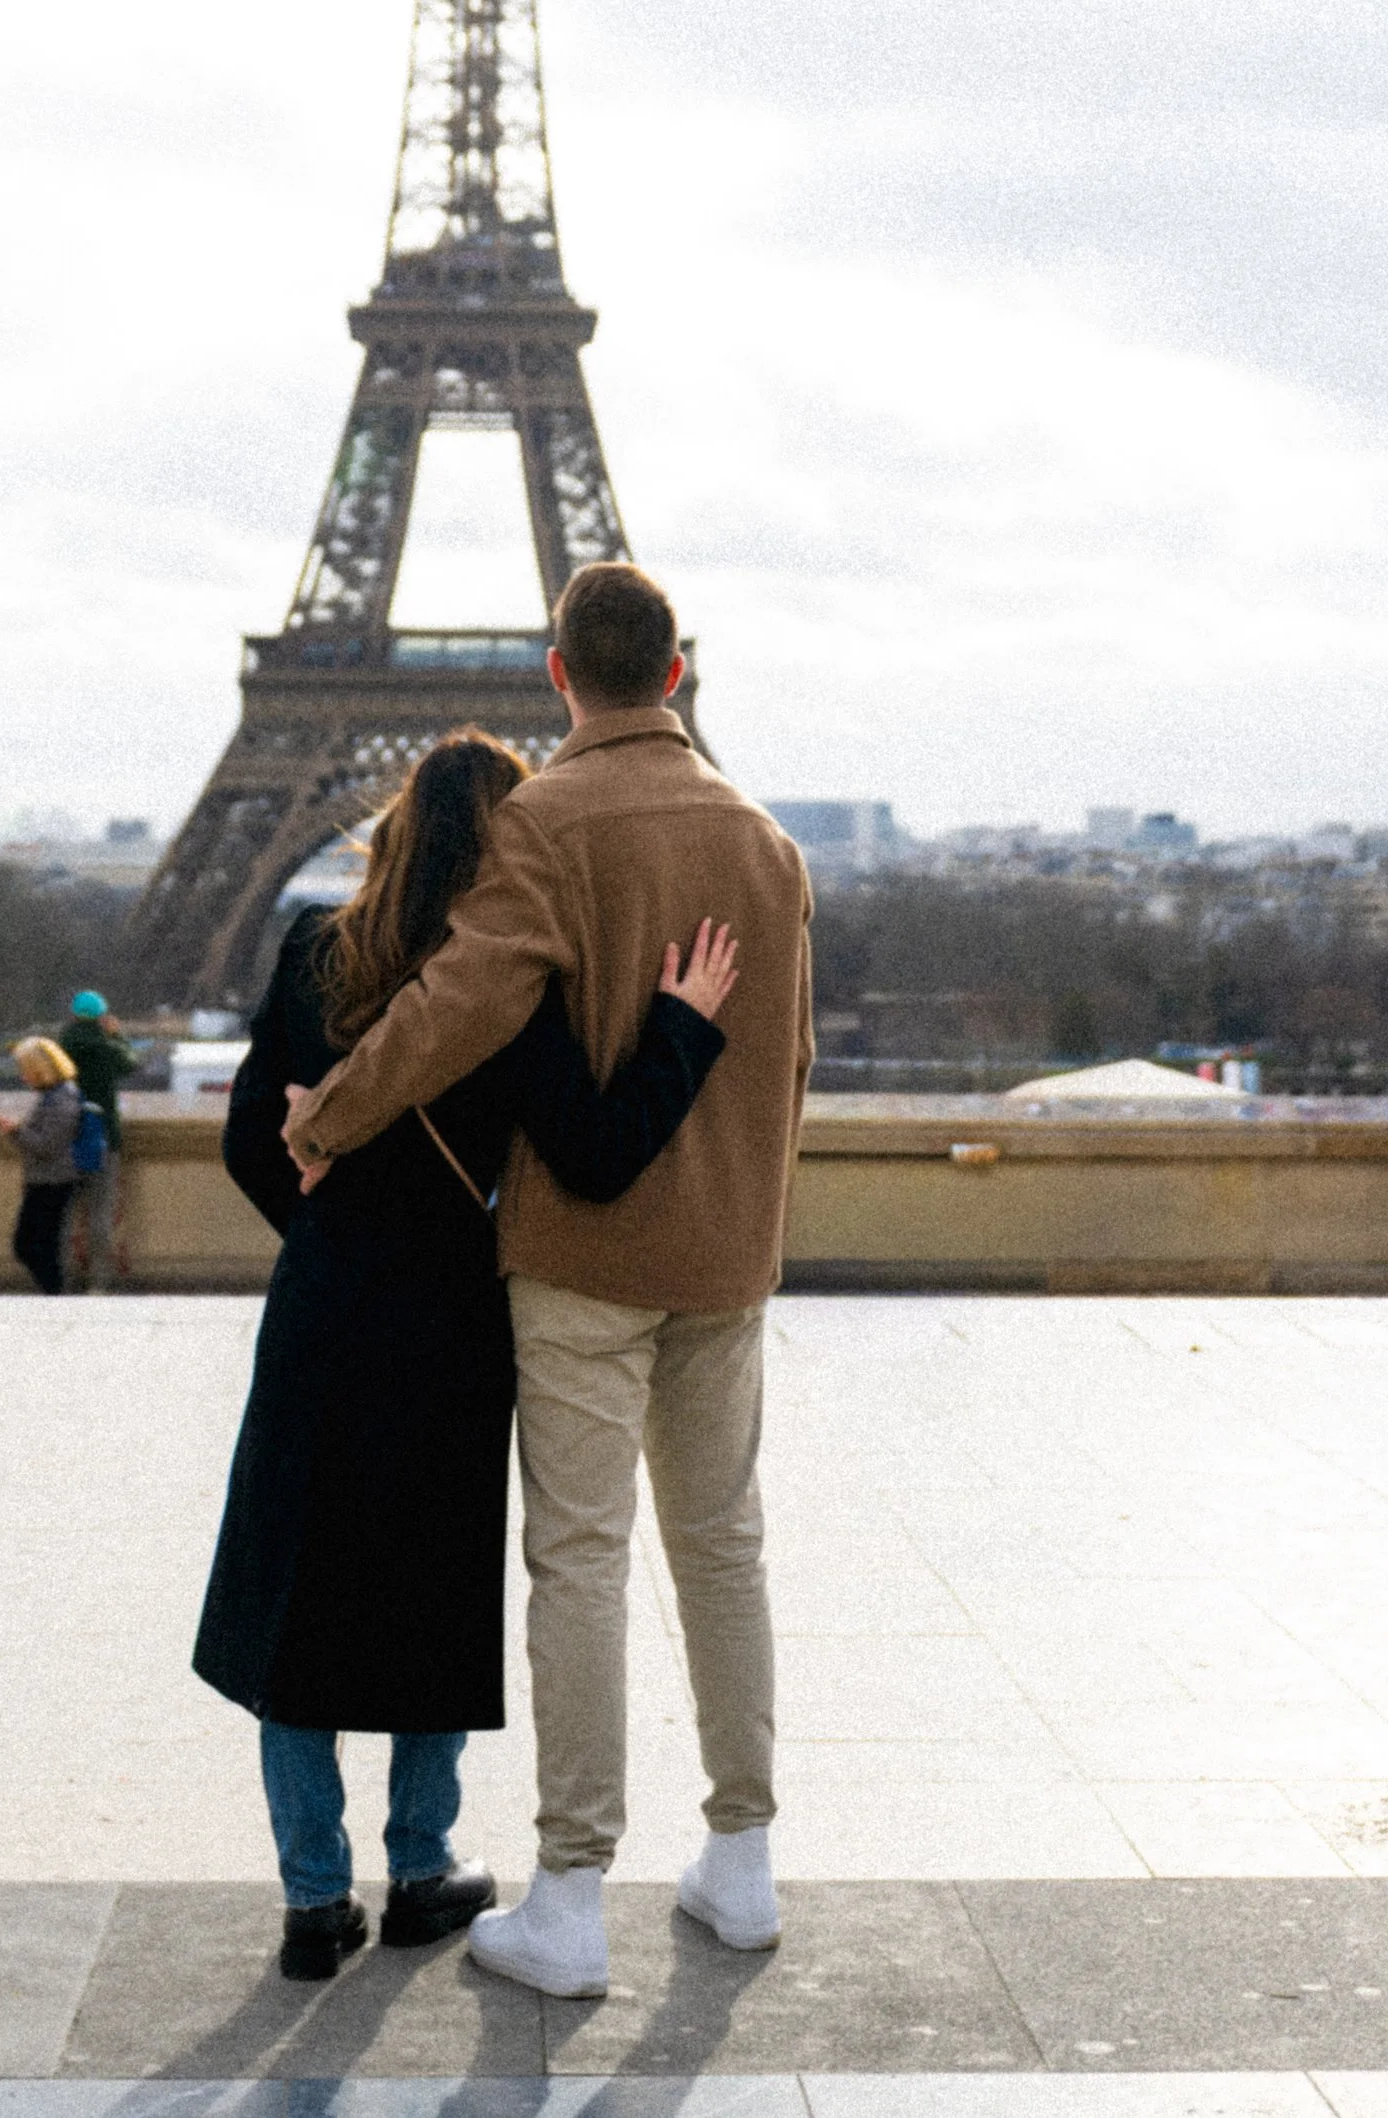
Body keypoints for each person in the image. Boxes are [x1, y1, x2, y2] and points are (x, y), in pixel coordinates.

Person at [285, 563, 812, 2002]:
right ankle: (744, 1862)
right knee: (724, 1547)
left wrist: (327, 1113)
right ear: (680, 670)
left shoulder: (545, 821)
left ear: (559, 671)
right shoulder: (765, 841)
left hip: (582, 1256)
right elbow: (788, 1065)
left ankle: (572, 1894)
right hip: (724, 1256)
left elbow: (455, 1008)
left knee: (579, 1558)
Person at [196, 728, 739, 1986]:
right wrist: (680, 1027)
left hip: (324, 1309)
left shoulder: (309, 958)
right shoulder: (508, 986)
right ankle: (421, 1866)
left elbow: (244, 1142)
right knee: (428, 1594)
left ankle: (313, 1900)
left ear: (389, 830)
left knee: (298, 1600)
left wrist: (332, 1231)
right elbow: (600, 1155)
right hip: (449, 1323)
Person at [59, 986, 137, 1291]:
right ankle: (99, 1282)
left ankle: (61, 1278)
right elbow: (131, 1062)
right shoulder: (106, 1048)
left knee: (64, 1214)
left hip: (67, 1135)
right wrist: (117, 1035)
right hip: (104, 1136)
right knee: (100, 1214)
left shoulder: (63, 1045)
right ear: (102, 1017)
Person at [0, 1034, 84, 1293]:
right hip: (45, 1179)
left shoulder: (61, 1099)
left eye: (26, 1071)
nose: (23, 1077)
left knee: (34, 1245)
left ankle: (55, 1294)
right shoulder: (58, 1095)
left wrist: (15, 1131)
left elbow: (47, 1146)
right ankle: (53, 1293)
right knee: (40, 1245)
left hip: (54, 1181)